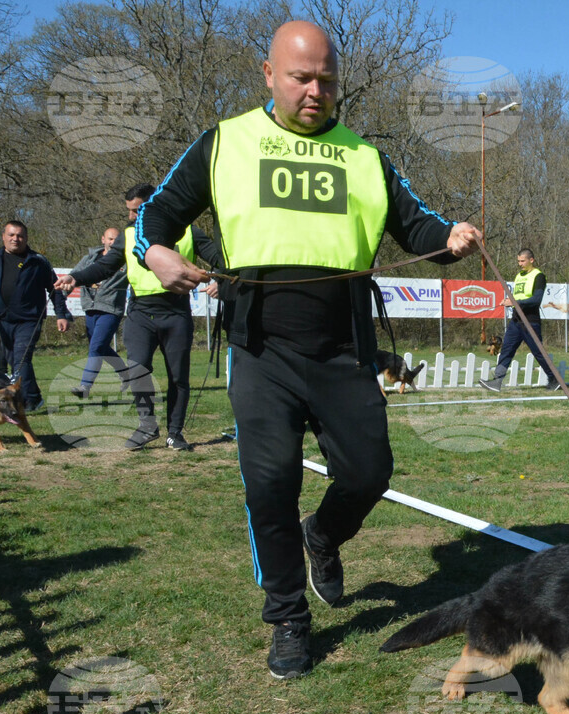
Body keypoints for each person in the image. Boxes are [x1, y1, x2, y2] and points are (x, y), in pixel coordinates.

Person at [132, 20, 481, 679]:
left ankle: (322, 535)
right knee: (270, 483)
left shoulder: (365, 157)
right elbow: (155, 214)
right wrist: (154, 253)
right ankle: (288, 618)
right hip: (260, 345)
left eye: (326, 78)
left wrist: (451, 236)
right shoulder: (225, 143)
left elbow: (416, 225)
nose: (315, 90)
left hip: (344, 346)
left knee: (369, 472)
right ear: (269, 75)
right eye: (301, 77)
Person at [56, 184, 222, 450]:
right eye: (130, 211)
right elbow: (104, 267)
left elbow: (220, 257)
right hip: (140, 314)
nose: (132, 216)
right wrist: (76, 277)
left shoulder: (190, 231)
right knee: (137, 371)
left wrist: (221, 282)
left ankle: (175, 434)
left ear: (153, 204)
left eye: (137, 210)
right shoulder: (128, 234)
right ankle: (147, 427)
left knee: (178, 377)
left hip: (176, 313)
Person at [0, 221, 71, 411]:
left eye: (20, 235)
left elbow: (55, 289)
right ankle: (35, 397)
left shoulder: (38, 261)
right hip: (4, 320)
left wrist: (61, 315)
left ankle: (27, 401)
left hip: (30, 320)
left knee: (20, 359)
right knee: (14, 360)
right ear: (4, 236)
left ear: (26, 238)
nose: (16, 239)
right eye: (12, 235)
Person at [478, 248, 559, 392]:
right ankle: (497, 381)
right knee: (506, 351)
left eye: (522, 261)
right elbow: (519, 298)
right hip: (516, 321)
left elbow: (536, 300)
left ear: (531, 260)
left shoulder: (538, 276)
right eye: (518, 261)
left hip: (530, 321)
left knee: (538, 353)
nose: (520, 264)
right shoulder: (519, 276)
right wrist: (509, 302)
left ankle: (554, 379)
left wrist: (515, 302)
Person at [70, 226, 128, 398]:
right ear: (103, 239)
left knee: (96, 347)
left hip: (111, 309)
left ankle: (85, 387)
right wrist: (63, 292)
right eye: (110, 239)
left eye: (116, 240)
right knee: (100, 347)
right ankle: (126, 373)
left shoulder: (126, 261)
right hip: (90, 307)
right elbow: (74, 275)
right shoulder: (89, 258)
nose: (112, 242)